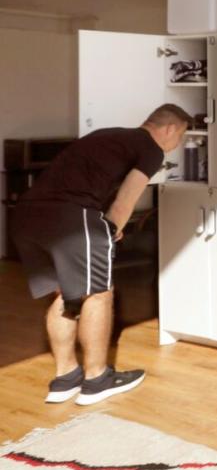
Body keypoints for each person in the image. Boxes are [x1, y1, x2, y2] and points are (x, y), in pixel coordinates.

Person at [11, 104, 191, 405]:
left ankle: (65, 377)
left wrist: (103, 228)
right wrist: (112, 228)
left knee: (65, 295)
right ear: (169, 128)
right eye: (182, 136)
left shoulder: (110, 135)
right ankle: (97, 379)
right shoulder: (150, 149)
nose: (178, 144)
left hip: (27, 216)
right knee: (99, 293)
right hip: (71, 215)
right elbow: (125, 202)